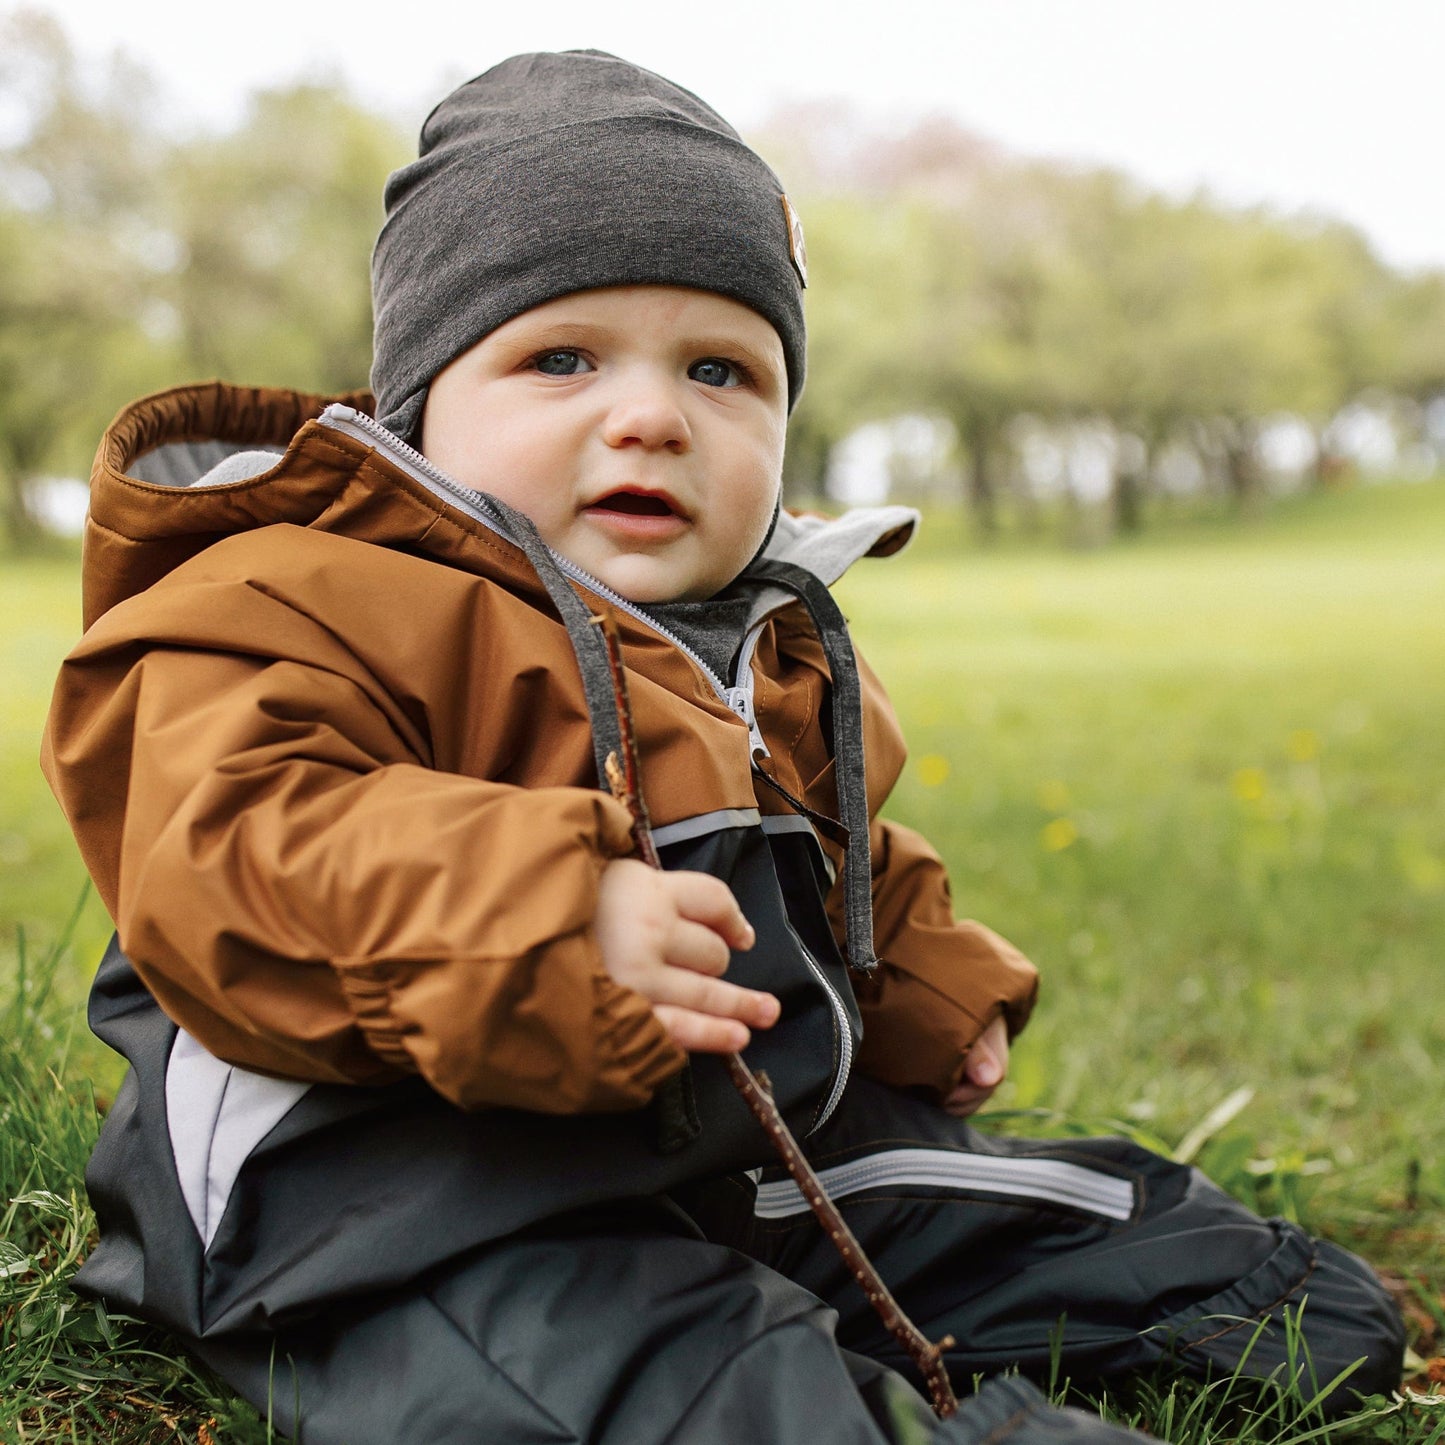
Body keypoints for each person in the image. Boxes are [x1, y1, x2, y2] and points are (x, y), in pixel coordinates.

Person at [43, 50, 1402, 1445]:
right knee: (705, 1394)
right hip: (393, 1215)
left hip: (724, 1157)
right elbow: (240, 851)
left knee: (1222, 1272)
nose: (651, 413)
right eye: (559, 357)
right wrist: (547, 910)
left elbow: (835, 854)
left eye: (721, 369)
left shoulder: (757, 635)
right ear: (422, 405)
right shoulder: (286, 597)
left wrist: (927, 979)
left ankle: (1207, 1293)